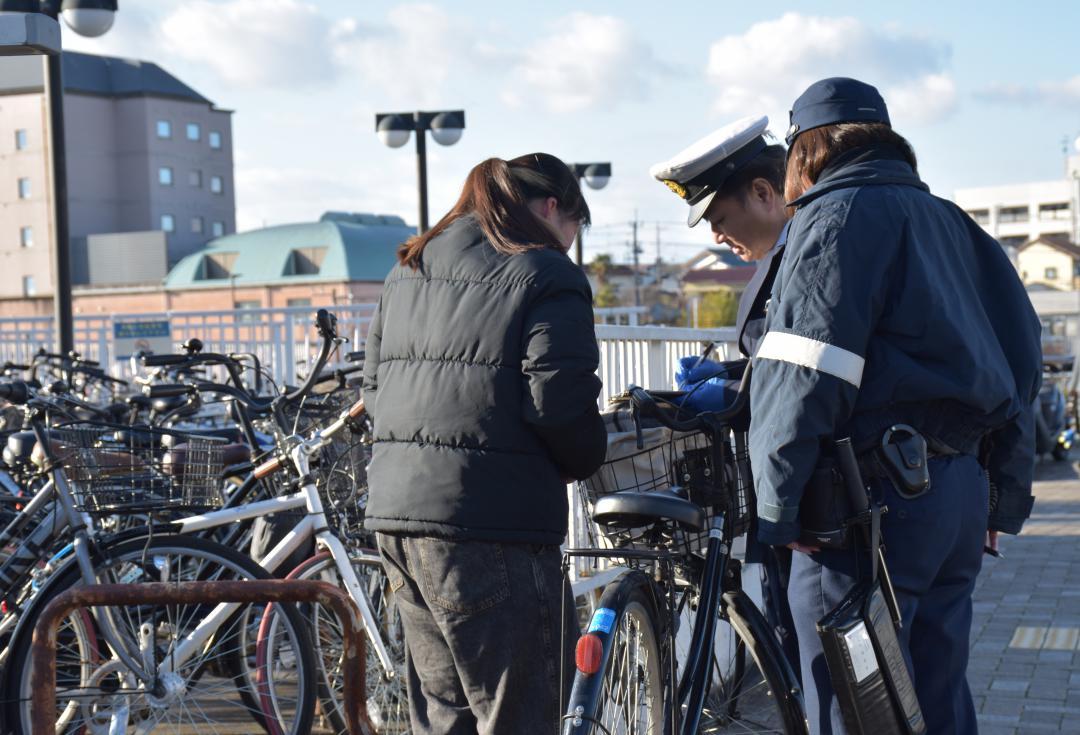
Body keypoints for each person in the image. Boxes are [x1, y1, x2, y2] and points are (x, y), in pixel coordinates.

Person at [749, 77, 1042, 734]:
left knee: (853, 704)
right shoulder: (958, 227)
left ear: (805, 153)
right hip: (959, 498)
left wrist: (777, 507)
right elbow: (1023, 370)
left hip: (868, 505)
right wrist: (1002, 496)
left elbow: (803, 374)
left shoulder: (834, 218)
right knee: (938, 695)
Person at [361, 153, 608, 734]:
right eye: (574, 229)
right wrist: (588, 458)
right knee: (522, 714)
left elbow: (374, 392)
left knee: (445, 718)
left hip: (399, 520)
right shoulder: (548, 274)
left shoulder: (410, 267)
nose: (570, 245)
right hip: (492, 526)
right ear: (552, 208)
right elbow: (559, 403)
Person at [650, 115, 800, 673]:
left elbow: (808, 373)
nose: (715, 236)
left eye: (717, 217)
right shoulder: (778, 260)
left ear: (763, 192)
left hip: (809, 492)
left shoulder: (808, 256)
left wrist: (736, 390)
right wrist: (734, 376)